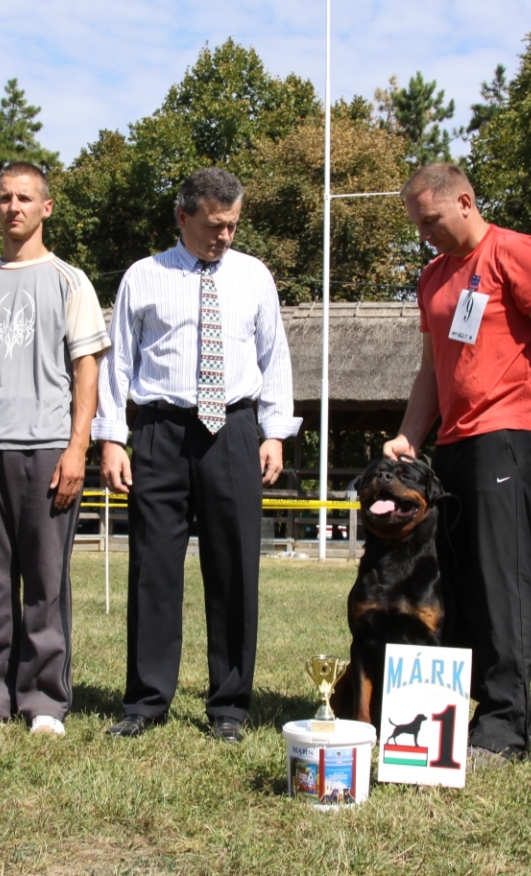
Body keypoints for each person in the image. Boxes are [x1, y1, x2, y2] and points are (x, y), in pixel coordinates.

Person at [384, 163, 531, 766]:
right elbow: (431, 368)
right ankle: (453, 717)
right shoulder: (432, 276)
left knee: (498, 576)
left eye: (430, 220)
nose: (424, 233)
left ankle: (506, 726)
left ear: (465, 201)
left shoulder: (516, 252)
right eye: (416, 225)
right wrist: (408, 435)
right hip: (452, 444)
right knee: (454, 579)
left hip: (507, 435)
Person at [94, 168, 300, 742]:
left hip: (233, 428)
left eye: (233, 225)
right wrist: (112, 436)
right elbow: (120, 364)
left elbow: (274, 355)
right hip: (159, 430)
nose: (226, 236)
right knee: (153, 569)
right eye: (214, 225)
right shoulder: (143, 276)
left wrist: (274, 431)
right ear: (183, 217)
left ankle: (230, 707)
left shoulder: (255, 276)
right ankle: (145, 702)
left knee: (234, 569)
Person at [0, 161, 110, 736]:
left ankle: (43, 702)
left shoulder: (70, 281)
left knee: (44, 581)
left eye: (25, 198)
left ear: (45, 208)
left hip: (45, 449)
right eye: (5, 198)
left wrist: (76, 448)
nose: (14, 207)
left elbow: (87, 372)